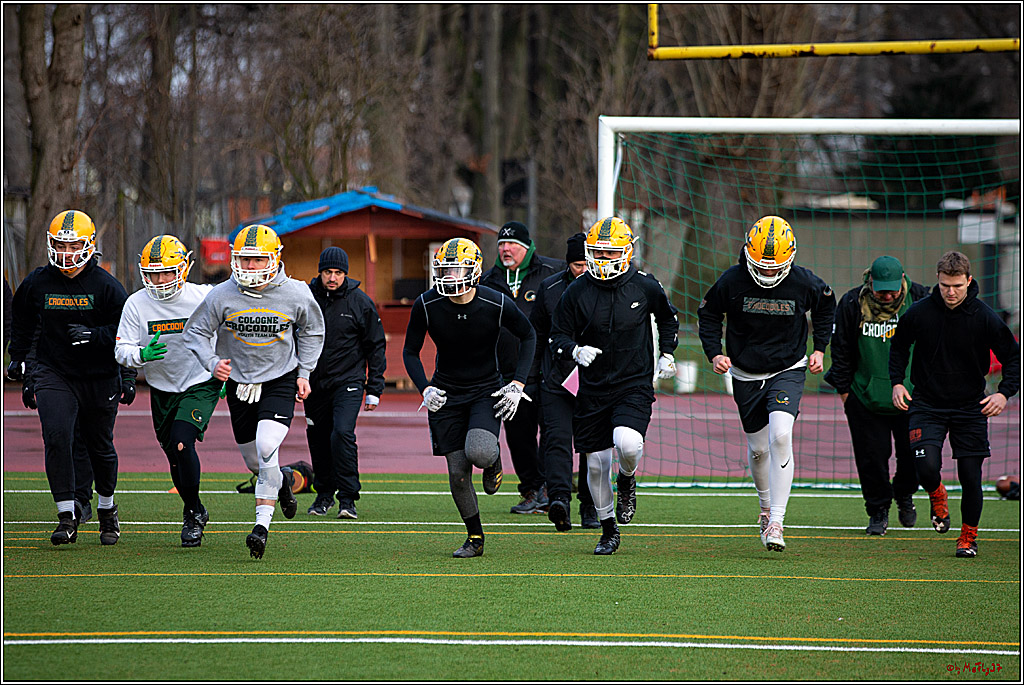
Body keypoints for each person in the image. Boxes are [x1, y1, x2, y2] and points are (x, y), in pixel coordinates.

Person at [182, 224, 325, 559]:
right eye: (243, 260)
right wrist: (211, 361)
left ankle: (261, 527)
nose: (249, 267)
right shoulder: (222, 294)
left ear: (275, 259)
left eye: (257, 260)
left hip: (280, 379)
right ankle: (286, 480)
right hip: (239, 382)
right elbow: (194, 333)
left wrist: (304, 373)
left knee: (265, 445)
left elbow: (313, 331)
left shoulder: (297, 292)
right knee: (255, 462)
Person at [697, 215, 835, 553]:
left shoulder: (805, 282)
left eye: (776, 268)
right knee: (759, 449)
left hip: (788, 368)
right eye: (762, 266)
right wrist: (715, 354)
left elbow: (826, 307)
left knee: (781, 435)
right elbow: (709, 314)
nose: (769, 273)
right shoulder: (732, 280)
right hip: (745, 373)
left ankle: (777, 519)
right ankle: (764, 508)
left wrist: (819, 348)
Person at [549, 217, 679, 554]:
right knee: (595, 464)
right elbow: (557, 335)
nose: (604, 259)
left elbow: (668, 316)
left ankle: (627, 479)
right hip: (592, 387)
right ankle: (608, 530)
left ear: (626, 252)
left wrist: (667, 353)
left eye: (611, 253)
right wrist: (574, 350)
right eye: (598, 252)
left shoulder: (645, 285)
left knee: (628, 444)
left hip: (633, 382)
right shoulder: (577, 290)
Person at [403, 237, 537, 558]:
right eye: (444, 270)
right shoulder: (427, 303)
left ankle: (492, 457)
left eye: (457, 268)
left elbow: (528, 334)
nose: (450, 276)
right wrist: (425, 387)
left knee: (478, 451)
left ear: (474, 268)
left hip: (484, 390)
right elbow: (410, 351)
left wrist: (517, 383)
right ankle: (475, 538)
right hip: (445, 393)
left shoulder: (495, 301)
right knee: (457, 474)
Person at [7, 210, 130, 546]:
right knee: (57, 435)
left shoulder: (105, 285)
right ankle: (67, 515)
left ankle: (106, 508)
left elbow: (127, 331)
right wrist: (19, 359)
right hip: (55, 370)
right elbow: (22, 320)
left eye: (74, 243)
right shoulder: (38, 281)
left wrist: (120, 365)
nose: (66, 251)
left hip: (99, 374)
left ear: (89, 244)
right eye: (60, 243)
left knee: (99, 445)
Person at [889, 250, 1019, 558]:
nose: (951, 292)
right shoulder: (920, 312)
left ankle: (968, 537)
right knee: (926, 467)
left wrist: (1003, 393)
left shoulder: (985, 317)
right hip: (926, 404)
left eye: (957, 286)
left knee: (971, 476)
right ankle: (936, 494)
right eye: (946, 285)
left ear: (968, 281)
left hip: (971, 407)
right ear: (938, 280)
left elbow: (1013, 358)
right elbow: (898, 344)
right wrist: (897, 381)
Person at [115, 234, 221, 547]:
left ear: (183, 270)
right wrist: (139, 357)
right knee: (173, 457)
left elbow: (227, 328)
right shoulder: (136, 304)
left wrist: (224, 368)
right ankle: (197, 507)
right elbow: (122, 349)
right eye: (153, 273)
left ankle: (191, 515)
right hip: (161, 387)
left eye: (166, 272)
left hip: (200, 380)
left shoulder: (203, 296)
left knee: (181, 443)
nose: (160, 280)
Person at [825, 256, 929, 535]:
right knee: (872, 457)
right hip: (865, 396)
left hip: (912, 396)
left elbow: (958, 304)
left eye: (892, 289)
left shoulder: (920, 297)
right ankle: (878, 511)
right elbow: (841, 350)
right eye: (881, 289)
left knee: (916, 458)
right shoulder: (851, 303)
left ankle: (904, 494)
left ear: (903, 281)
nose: (887, 295)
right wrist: (846, 393)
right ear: (870, 281)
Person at [480, 221, 564, 514]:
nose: (505, 249)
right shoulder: (488, 280)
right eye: (501, 244)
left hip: (548, 369)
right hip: (509, 374)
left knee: (554, 433)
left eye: (512, 244)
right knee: (519, 436)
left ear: (526, 248)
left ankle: (553, 490)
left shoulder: (553, 273)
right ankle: (531, 489)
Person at [304, 246, 387, 520]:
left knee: (342, 434)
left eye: (338, 273)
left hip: (349, 382)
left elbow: (375, 346)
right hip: (314, 382)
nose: (332, 277)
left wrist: (374, 388)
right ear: (320, 271)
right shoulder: (305, 297)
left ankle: (348, 499)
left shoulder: (360, 302)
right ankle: (324, 494)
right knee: (318, 438)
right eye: (328, 271)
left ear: (346, 274)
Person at [529, 232, 599, 531]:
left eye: (586, 263)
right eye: (576, 264)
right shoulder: (551, 288)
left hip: (595, 380)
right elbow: (535, 335)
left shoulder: (604, 287)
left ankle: (589, 505)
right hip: (556, 378)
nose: (582, 270)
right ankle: (559, 500)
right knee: (556, 440)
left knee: (591, 445)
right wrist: (530, 378)